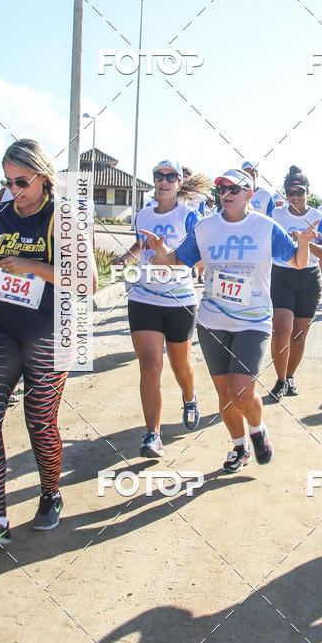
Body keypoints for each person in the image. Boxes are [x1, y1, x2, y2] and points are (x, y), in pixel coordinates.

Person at [0, 140, 97, 554]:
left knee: (39, 422)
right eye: (8, 182)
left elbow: (88, 284)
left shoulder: (65, 216)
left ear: (44, 177)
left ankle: (51, 493)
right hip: (2, 327)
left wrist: (32, 267)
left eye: (22, 181)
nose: (14, 190)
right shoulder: (2, 210)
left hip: (50, 330)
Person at [142, 168, 318, 472]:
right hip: (212, 322)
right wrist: (161, 251)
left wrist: (303, 243)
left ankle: (257, 428)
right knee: (225, 396)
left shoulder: (265, 227)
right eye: (221, 190)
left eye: (233, 189)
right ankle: (240, 447)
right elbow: (176, 261)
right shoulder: (206, 227)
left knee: (241, 389)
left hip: (253, 322)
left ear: (249, 193)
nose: (226, 195)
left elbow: (298, 262)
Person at [115, 160, 210, 458]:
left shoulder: (190, 216)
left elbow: (199, 259)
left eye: (171, 177)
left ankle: (190, 397)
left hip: (179, 300)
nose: (165, 181)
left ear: (180, 184)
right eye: (160, 176)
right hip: (144, 298)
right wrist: (126, 257)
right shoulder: (143, 213)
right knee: (151, 365)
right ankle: (152, 436)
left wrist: (167, 254)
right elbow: (140, 244)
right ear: (154, 181)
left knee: (180, 366)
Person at [269, 166, 322, 399]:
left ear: (308, 192)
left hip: (308, 278)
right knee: (281, 330)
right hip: (282, 275)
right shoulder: (276, 216)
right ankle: (280, 380)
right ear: (286, 194)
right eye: (290, 192)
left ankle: (290, 376)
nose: (295, 197)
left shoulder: (318, 218)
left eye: (299, 192)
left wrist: (306, 242)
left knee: (298, 335)